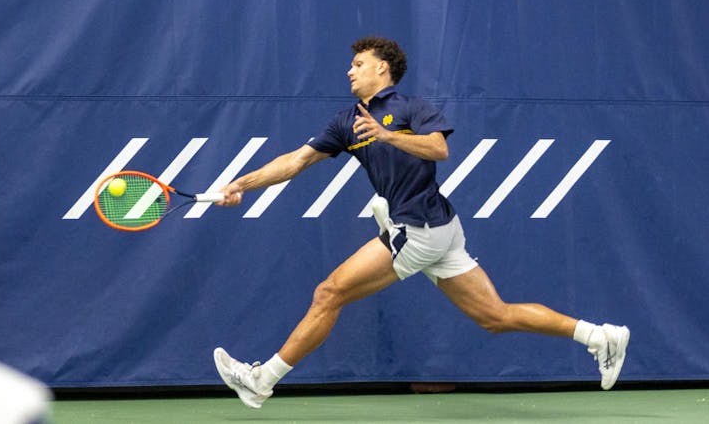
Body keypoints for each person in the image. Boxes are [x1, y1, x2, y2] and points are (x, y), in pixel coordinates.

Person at [213, 36, 629, 408]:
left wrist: (387, 135)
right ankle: (598, 336)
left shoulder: (411, 108)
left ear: (382, 67)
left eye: (358, 64)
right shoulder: (347, 121)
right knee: (495, 316)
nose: (349, 71)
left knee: (329, 293)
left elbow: (438, 149)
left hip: (420, 230)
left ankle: (261, 381)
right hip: (437, 230)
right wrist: (241, 184)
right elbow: (296, 161)